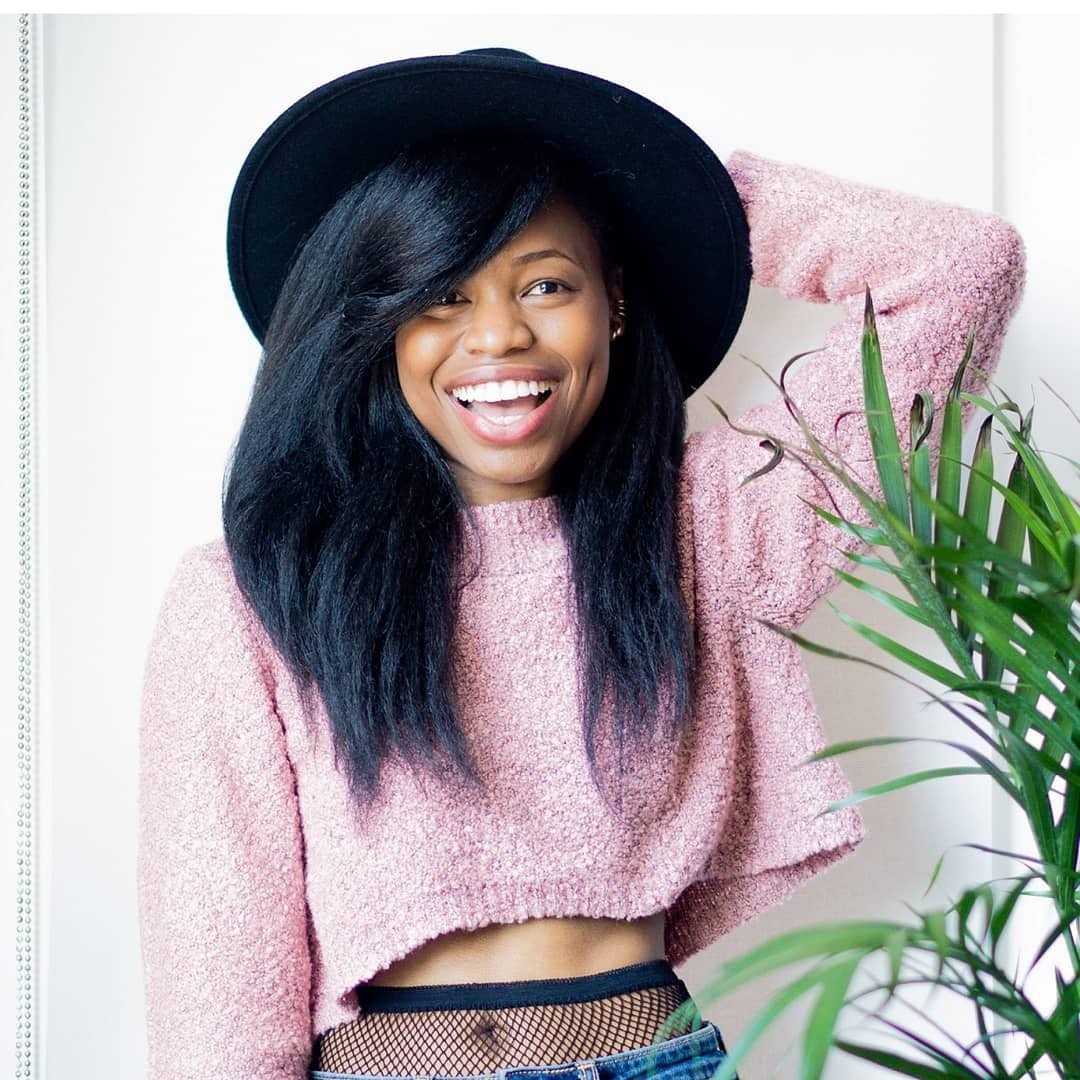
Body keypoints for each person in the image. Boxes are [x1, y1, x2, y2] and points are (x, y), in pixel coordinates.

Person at [135, 46, 1027, 1080]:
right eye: (441, 295)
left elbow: (962, 270)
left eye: (547, 283)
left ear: (613, 304)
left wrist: (684, 187)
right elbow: (216, 1002)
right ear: (376, 325)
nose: (499, 337)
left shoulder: (713, 528)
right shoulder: (253, 592)